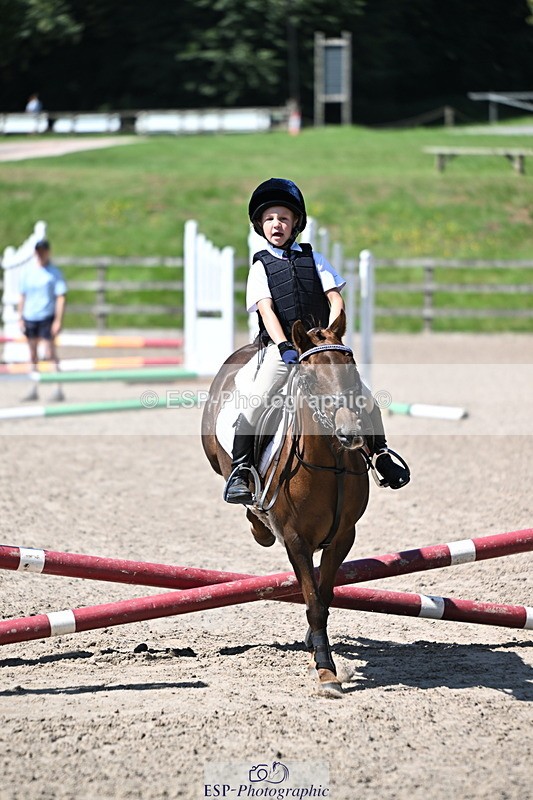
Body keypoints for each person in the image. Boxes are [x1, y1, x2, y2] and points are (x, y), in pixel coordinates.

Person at [223, 177, 410, 505]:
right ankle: (241, 469)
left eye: (283, 217)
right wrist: (284, 347)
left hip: (320, 347)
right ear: (259, 225)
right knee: (256, 398)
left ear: (296, 222)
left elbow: (335, 297)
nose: (276, 224)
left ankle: (380, 455)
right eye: (268, 219)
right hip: (279, 349)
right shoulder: (259, 267)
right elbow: (266, 310)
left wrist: (332, 331)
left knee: (364, 397)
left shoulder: (316, 259)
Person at [18, 239, 67, 402]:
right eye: (38, 251)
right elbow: (22, 296)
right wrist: (20, 316)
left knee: (49, 352)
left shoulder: (54, 273)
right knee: (32, 354)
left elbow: (61, 297)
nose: (40, 254)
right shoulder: (28, 273)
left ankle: (57, 387)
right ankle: (33, 387)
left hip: (46, 316)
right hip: (30, 316)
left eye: (43, 251)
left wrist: (58, 320)